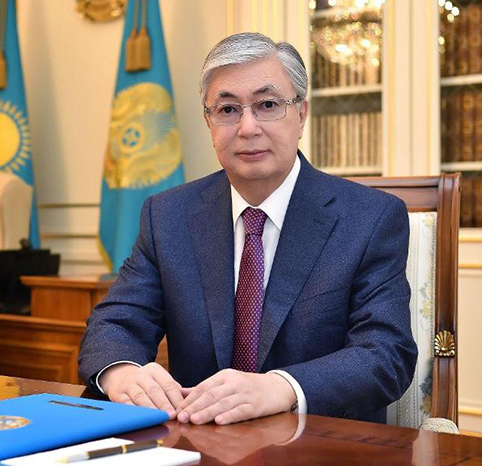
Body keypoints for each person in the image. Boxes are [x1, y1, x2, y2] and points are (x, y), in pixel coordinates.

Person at [78, 32, 417, 426]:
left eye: (267, 105)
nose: (247, 127)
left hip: (318, 441)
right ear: (208, 121)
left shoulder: (370, 218)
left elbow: (385, 354)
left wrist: (282, 387)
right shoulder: (168, 215)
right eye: (227, 110)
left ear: (302, 114)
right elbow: (115, 323)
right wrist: (123, 374)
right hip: (201, 438)